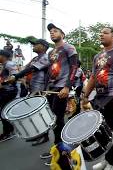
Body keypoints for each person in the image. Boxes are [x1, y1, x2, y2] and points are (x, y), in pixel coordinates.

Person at [82, 27, 113, 170]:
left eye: (105, 32)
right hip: (99, 99)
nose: (101, 34)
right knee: (101, 131)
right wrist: (85, 95)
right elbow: (92, 77)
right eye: (101, 32)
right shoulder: (97, 57)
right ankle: (106, 160)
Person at [40, 23, 78, 165]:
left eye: (55, 31)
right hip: (51, 88)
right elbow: (49, 71)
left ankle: (63, 153)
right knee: (53, 120)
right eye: (50, 32)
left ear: (62, 34)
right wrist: (44, 88)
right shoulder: (51, 52)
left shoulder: (69, 47)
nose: (52, 33)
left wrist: (67, 86)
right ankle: (57, 149)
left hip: (62, 88)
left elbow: (74, 67)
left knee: (58, 119)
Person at [7, 39, 51, 146]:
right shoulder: (35, 58)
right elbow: (24, 68)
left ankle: (44, 136)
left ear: (43, 47)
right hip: (32, 87)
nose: (33, 46)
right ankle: (39, 135)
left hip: (40, 88)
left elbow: (31, 69)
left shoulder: (46, 57)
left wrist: (16, 76)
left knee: (40, 113)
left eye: (36, 44)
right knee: (34, 113)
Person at [0, 50, 18, 142]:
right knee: (3, 111)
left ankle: (8, 132)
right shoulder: (4, 65)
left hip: (9, 91)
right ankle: (9, 131)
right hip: (5, 91)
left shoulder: (9, 64)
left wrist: (2, 82)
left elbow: (15, 77)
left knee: (3, 111)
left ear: (3, 56)